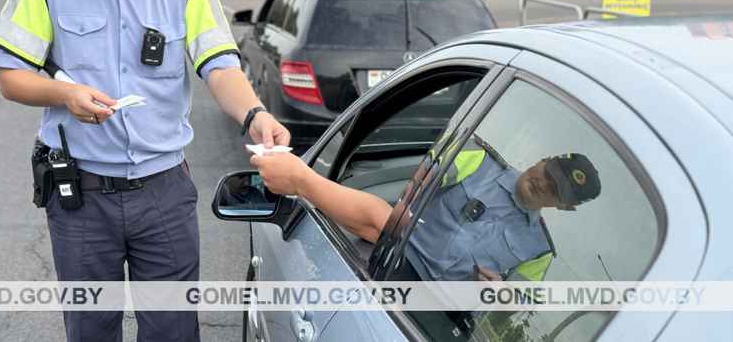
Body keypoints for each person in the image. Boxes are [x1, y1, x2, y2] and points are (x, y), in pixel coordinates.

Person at [0, 0, 289, 341]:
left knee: (173, 330)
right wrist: (66, 96)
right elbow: (10, 77)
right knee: (90, 330)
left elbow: (219, 66)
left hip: (163, 192)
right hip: (81, 197)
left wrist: (252, 113)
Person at [249, 135, 601, 282]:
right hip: (393, 265)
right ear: (542, 159)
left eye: (555, 188)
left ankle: (300, 179)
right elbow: (394, 215)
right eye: (548, 172)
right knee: (385, 221)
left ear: (565, 207)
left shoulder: (539, 252)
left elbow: (509, 317)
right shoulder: (476, 159)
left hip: (441, 318)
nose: (542, 181)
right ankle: (299, 179)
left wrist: (497, 299)